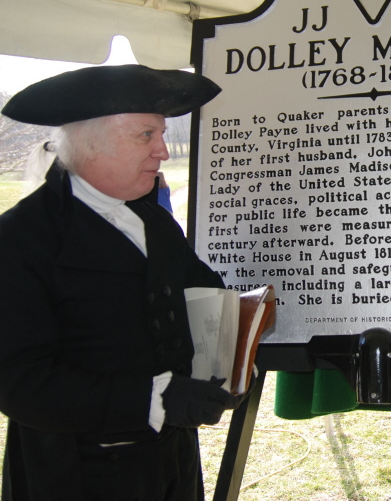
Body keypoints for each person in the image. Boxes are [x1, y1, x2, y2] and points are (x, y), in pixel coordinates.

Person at [0, 64, 242, 501]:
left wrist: (232, 356)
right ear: (89, 142)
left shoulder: (153, 221)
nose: (162, 151)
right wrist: (155, 399)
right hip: (78, 474)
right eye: (146, 135)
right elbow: (19, 383)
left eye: (161, 134)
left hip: (172, 460)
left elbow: (200, 292)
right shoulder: (21, 239)